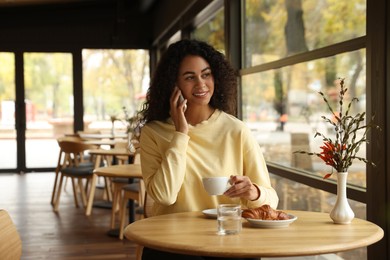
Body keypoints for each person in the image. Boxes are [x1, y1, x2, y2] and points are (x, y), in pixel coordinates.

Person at [136, 39, 279, 260]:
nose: (201, 84)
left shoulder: (237, 130)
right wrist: (181, 133)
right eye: (190, 77)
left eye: (206, 74)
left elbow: (271, 200)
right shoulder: (153, 133)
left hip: (228, 240)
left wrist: (253, 192)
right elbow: (164, 196)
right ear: (173, 84)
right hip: (173, 244)